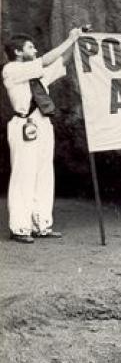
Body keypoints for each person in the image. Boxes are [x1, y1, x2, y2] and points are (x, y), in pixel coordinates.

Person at [3, 27, 83, 243]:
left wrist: (78, 40)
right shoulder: (12, 70)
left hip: (43, 123)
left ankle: (42, 224)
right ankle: (20, 227)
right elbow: (47, 60)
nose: (35, 49)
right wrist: (70, 38)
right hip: (24, 124)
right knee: (24, 175)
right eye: (30, 47)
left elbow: (61, 62)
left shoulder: (35, 73)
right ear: (18, 52)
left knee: (44, 173)